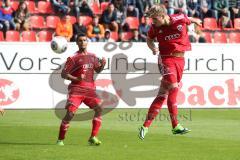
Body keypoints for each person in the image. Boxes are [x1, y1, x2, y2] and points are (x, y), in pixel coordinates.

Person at [138, 4, 202, 140]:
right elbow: (149, 39)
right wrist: (153, 48)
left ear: (163, 16)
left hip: (180, 60)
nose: (153, 22)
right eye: (152, 20)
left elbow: (188, 19)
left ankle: (145, 126)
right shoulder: (155, 28)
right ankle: (175, 125)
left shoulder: (178, 18)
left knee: (162, 94)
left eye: (155, 19)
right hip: (165, 60)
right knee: (174, 88)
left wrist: (197, 21)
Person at [57, 33, 106, 146]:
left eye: (84, 40)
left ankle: (93, 137)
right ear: (77, 43)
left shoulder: (93, 56)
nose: (83, 42)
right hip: (76, 90)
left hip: (90, 90)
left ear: (87, 42)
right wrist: (76, 78)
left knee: (99, 109)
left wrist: (102, 65)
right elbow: (63, 74)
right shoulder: (73, 58)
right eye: (80, 40)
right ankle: (60, 139)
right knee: (70, 114)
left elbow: (97, 70)